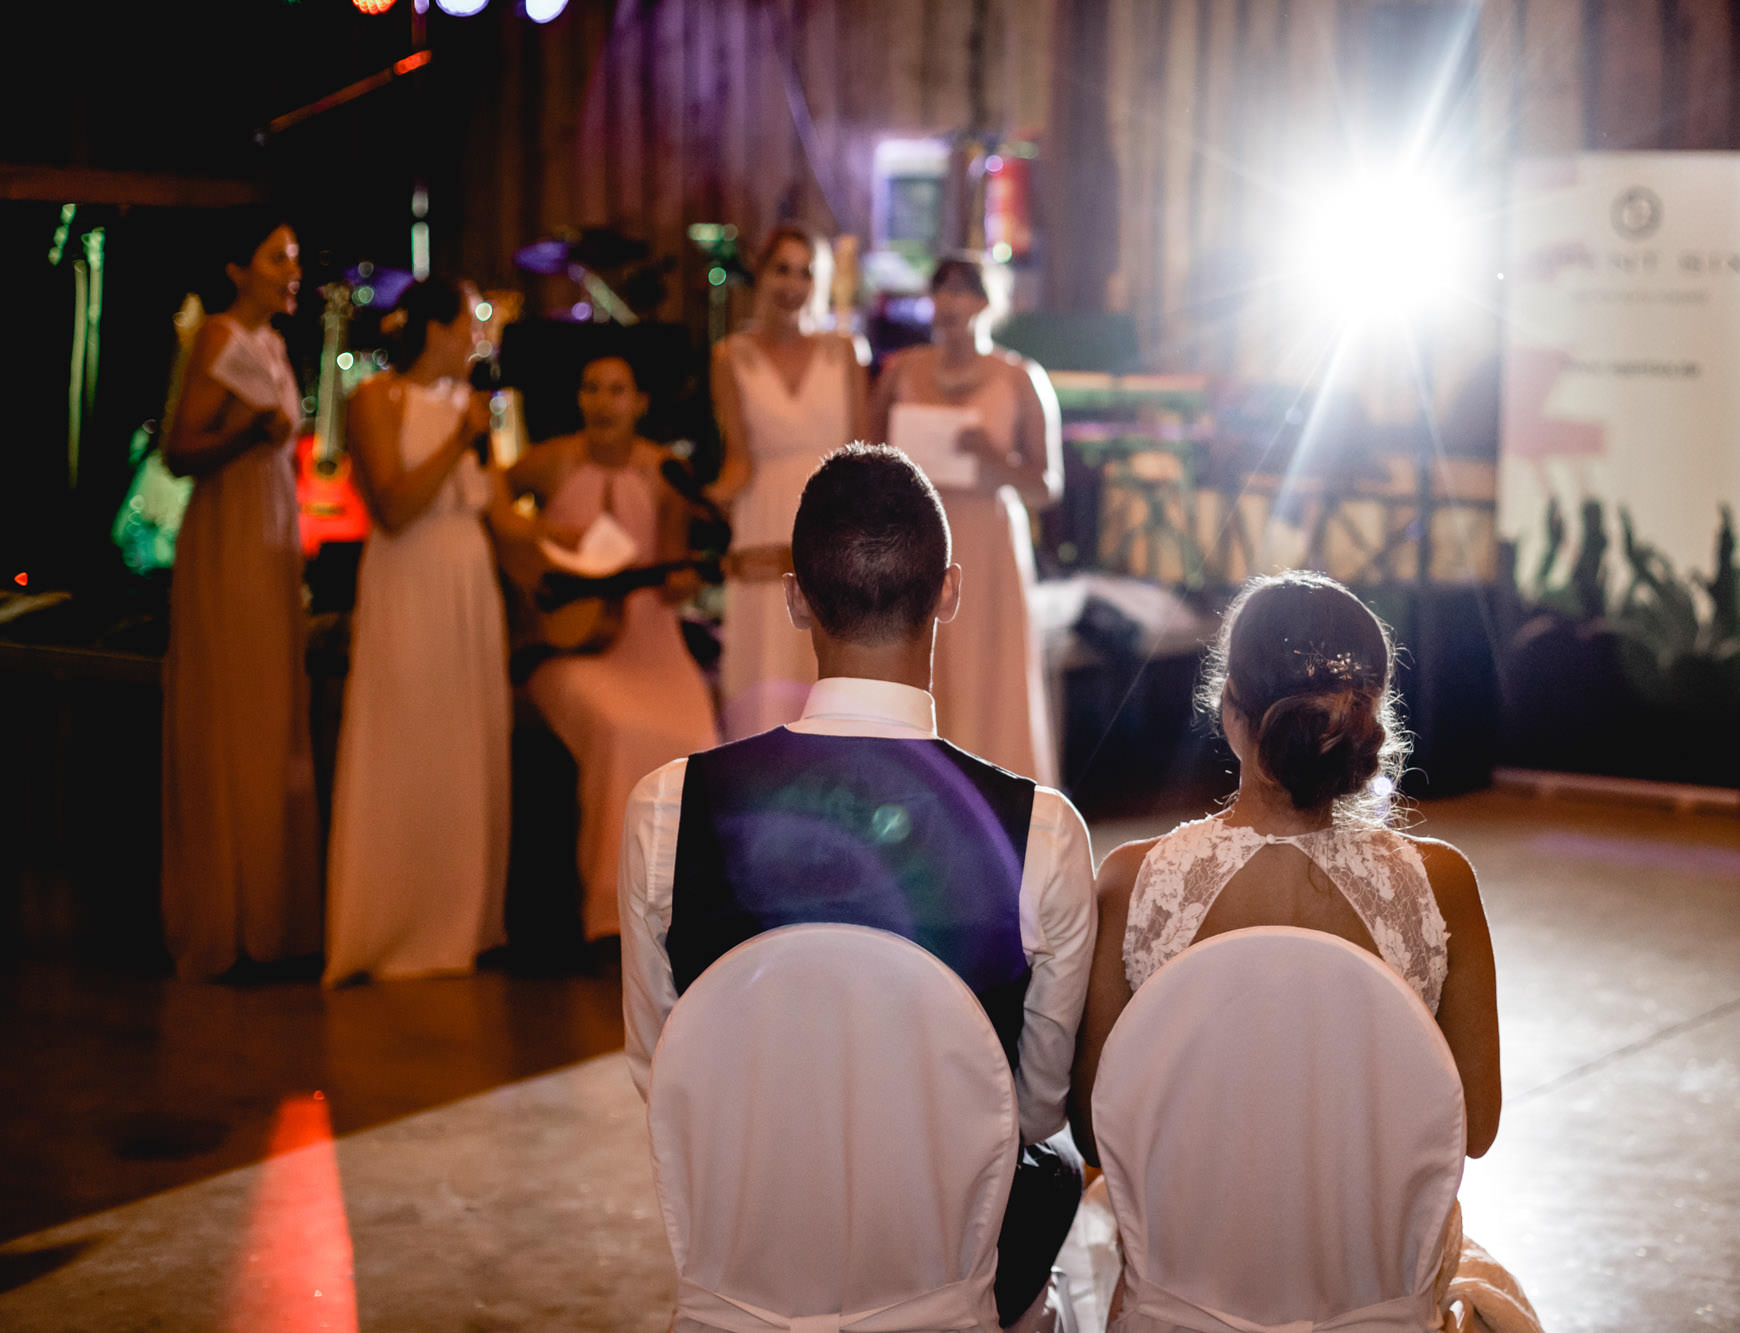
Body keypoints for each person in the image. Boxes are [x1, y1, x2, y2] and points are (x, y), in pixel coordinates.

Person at [618, 445, 1096, 1324]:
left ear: (795, 594)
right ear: (949, 591)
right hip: (944, 1301)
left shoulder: (668, 811)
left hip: (739, 1301)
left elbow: (668, 1073)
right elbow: (1032, 1109)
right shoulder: (1043, 833)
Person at [1070, 571, 1499, 1162]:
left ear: (1228, 708)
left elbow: (1095, 1135)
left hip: (1185, 1248)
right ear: (1368, 721)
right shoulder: (1441, 882)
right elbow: (1473, 1130)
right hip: (1371, 1251)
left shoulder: (1132, 881)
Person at [322, 278, 510, 985]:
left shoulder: (478, 406)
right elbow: (395, 504)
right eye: (468, 324)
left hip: (470, 578)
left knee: (464, 743)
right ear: (435, 331)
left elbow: (497, 494)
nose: (475, 339)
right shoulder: (378, 398)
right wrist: (458, 438)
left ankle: (463, 919)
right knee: (404, 737)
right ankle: (394, 923)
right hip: (408, 575)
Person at [501, 351, 718, 944]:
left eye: (617, 390)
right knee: (618, 728)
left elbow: (675, 573)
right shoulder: (551, 462)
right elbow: (491, 499)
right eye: (591, 388)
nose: (603, 402)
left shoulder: (664, 470)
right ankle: (610, 911)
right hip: (566, 649)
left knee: (697, 738)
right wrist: (534, 540)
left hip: (651, 641)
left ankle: (678, 909)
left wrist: (687, 579)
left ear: (640, 403)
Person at [160, 212, 321, 982]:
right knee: (231, 705)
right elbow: (178, 449)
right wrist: (249, 430)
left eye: (293, 257)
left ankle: (271, 912)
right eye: (276, 257)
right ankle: (227, 915)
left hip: (270, 525)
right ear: (237, 269)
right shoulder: (221, 337)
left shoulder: (276, 345)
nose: (292, 270)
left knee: (268, 709)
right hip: (227, 528)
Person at [870, 255, 1062, 783]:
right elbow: (866, 456)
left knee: (986, 663)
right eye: (942, 290)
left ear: (986, 301)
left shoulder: (1021, 377)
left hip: (987, 539)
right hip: (919, 534)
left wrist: (993, 458)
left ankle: (994, 781)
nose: (950, 302)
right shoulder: (900, 371)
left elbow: (1046, 487)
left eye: (963, 291)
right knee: (919, 657)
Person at [709, 225, 867, 739]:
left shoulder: (845, 351)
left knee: (828, 674)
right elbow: (739, 465)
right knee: (765, 672)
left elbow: (864, 456)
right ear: (761, 273)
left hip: (833, 522)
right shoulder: (731, 356)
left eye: (807, 272)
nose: (793, 284)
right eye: (782, 269)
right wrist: (687, 507)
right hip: (763, 521)